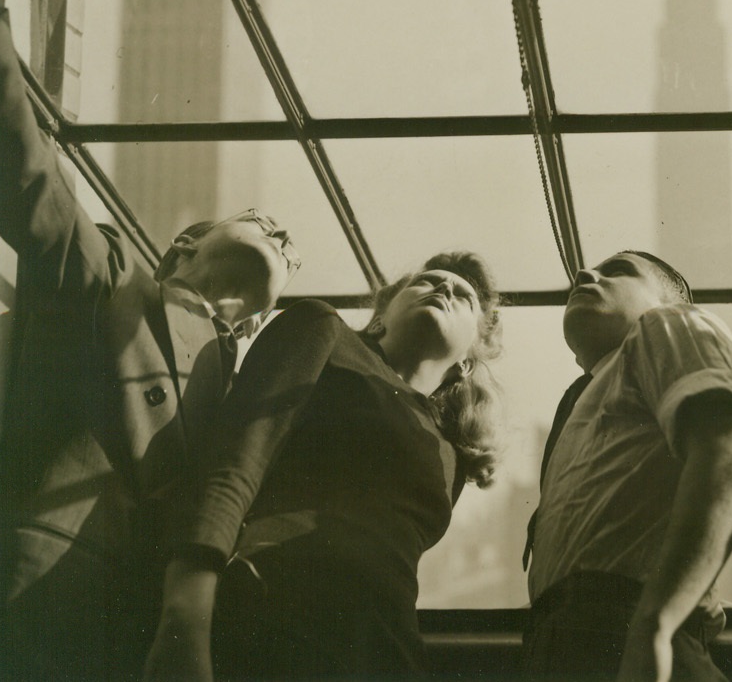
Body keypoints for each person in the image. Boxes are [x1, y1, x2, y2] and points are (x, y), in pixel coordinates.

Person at [0, 0, 301, 681]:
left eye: (291, 252)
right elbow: (27, 171)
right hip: (44, 605)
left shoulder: (259, 396)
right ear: (183, 246)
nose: (284, 240)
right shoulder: (118, 283)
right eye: (264, 224)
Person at [143, 251, 504, 681]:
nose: (444, 288)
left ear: (466, 362)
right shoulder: (325, 330)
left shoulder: (451, 455)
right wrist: (185, 613)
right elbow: (236, 463)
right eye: (425, 281)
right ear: (381, 316)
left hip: (386, 650)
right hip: (274, 612)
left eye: (463, 296)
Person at [522, 250, 732, 682]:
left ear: (666, 303)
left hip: (621, 627)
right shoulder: (584, 400)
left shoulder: (664, 326)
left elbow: (729, 453)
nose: (583, 274)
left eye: (619, 271)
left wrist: (656, 621)